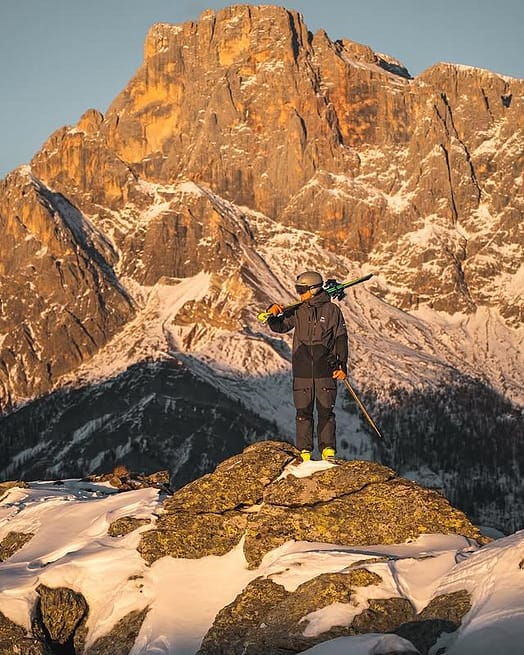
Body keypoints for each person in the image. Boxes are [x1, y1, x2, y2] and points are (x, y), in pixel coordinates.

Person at [266, 271, 348, 461]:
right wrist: (272, 313)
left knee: (326, 412)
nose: (298, 293)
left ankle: (328, 451)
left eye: (301, 289)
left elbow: (341, 339)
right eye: (297, 289)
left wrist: (342, 365)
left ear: (314, 289)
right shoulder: (298, 310)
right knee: (303, 413)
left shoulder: (332, 311)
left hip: (325, 370)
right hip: (301, 370)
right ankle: (304, 452)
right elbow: (280, 327)